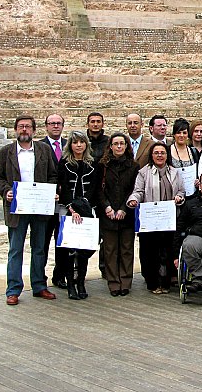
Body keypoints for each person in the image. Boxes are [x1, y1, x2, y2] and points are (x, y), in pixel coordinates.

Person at [0, 115, 58, 305]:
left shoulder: (44, 150)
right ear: (15, 130)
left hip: (39, 207)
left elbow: (53, 175)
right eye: (21, 127)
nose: (24, 130)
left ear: (34, 130)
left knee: (39, 248)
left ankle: (39, 286)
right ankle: (13, 290)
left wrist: (50, 192)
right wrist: (6, 192)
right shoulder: (6, 152)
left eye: (28, 127)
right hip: (17, 208)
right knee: (15, 249)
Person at [127, 142, 185, 294]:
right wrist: (134, 200)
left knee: (167, 250)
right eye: (156, 153)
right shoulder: (143, 172)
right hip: (150, 219)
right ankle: (152, 282)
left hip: (168, 218)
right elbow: (138, 191)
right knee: (149, 252)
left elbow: (181, 190)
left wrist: (179, 197)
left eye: (163, 153)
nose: (160, 155)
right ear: (151, 156)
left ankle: (165, 282)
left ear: (167, 155)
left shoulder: (175, 172)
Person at [56, 130, 99, 300]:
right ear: (70, 145)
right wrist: (72, 208)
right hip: (68, 210)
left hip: (87, 211)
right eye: (75, 142)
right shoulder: (64, 163)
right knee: (68, 250)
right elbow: (63, 188)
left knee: (83, 250)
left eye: (81, 142)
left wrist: (84, 208)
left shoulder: (93, 164)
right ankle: (70, 285)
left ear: (86, 144)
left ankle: (81, 282)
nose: (78, 145)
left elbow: (94, 188)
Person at [97, 132, 140, 296]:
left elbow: (134, 189)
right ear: (111, 147)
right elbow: (99, 190)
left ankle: (126, 281)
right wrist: (107, 207)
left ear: (126, 146)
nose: (119, 147)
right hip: (108, 214)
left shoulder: (133, 166)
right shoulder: (102, 165)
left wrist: (123, 208)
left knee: (127, 249)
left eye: (122, 144)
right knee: (110, 250)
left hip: (126, 213)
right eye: (116, 144)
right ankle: (113, 282)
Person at [41, 113, 67, 289]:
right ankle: (39, 276)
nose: (55, 126)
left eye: (58, 123)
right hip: (44, 203)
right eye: (52, 123)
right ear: (46, 126)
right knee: (42, 242)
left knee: (62, 240)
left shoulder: (69, 145)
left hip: (64, 202)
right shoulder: (39, 146)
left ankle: (60, 276)